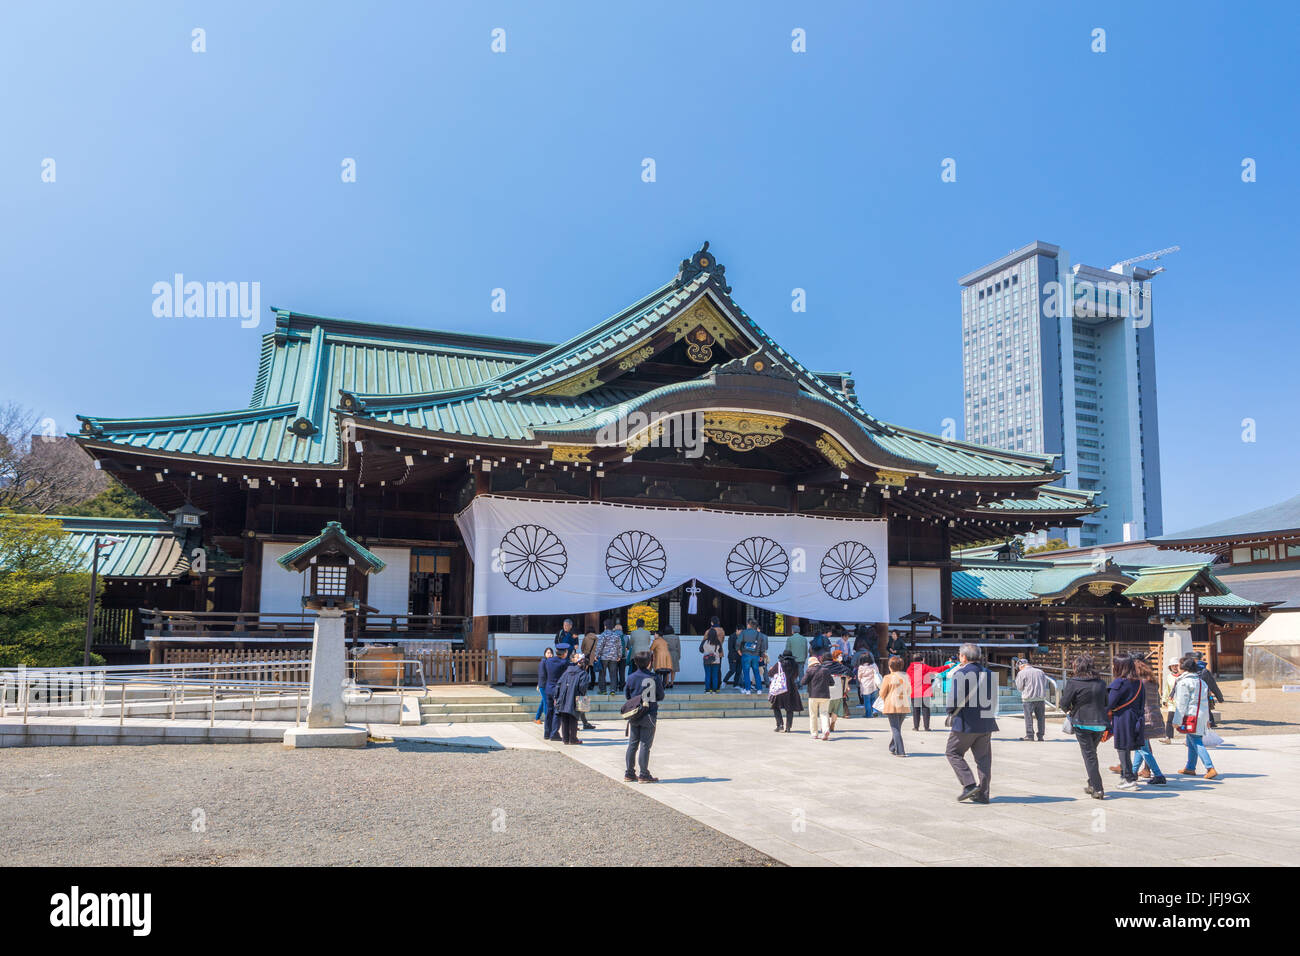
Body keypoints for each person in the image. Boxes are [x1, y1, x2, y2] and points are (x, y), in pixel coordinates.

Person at [945, 643, 997, 804]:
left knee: (952, 752)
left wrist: (950, 711)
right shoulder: (988, 673)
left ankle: (969, 784)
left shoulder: (961, 673)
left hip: (966, 721)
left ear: (964, 657)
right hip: (986, 720)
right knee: (983, 759)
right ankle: (983, 794)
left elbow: (954, 699)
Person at [1059, 654, 1110, 799]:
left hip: (1082, 722)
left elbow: (1063, 703)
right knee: (1092, 754)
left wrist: (1070, 711)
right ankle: (1092, 783)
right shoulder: (1100, 683)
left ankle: (1098, 788)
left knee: (1089, 756)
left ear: (1077, 667)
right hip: (1100, 723)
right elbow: (1106, 702)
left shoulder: (1074, 682)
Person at [1117, 653, 1167, 785]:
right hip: (1154, 715)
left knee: (1143, 748)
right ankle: (1133, 772)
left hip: (1143, 717)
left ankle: (1158, 774)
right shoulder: (1151, 680)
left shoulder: (1138, 683)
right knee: (1141, 746)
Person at [1173, 653, 1219, 779]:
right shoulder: (1201, 682)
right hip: (1201, 714)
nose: (1177, 667)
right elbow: (1206, 702)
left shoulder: (1184, 682)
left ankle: (1210, 767)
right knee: (1191, 740)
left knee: (1196, 741)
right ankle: (1190, 767)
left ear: (1184, 668)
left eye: (1179, 665)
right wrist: (1208, 719)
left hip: (1190, 715)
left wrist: (1176, 720)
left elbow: (1182, 703)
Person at [1106, 655, 1145, 792]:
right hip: (1137, 717)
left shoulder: (1119, 683)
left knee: (1122, 748)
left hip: (1123, 718)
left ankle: (1129, 778)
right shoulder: (1139, 682)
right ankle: (1126, 776)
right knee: (1127, 748)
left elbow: (1109, 703)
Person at [624, 651, 664, 783]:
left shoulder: (631, 677)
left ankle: (629, 773)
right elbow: (661, 696)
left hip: (635, 714)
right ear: (649, 663)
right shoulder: (654, 677)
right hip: (649, 714)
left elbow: (628, 696)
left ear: (635, 662)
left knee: (632, 744)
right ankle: (643, 774)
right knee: (645, 745)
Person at [553, 652, 591, 745]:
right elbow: (582, 688)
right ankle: (573, 739)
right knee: (573, 719)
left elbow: (558, 684)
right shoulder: (584, 674)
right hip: (575, 699)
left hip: (563, 698)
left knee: (564, 719)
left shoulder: (567, 671)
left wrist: (556, 697)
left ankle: (565, 739)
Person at [539, 645, 573, 741]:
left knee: (549, 711)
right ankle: (554, 733)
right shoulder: (564, 662)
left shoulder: (548, 660)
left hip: (548, 688)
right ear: (564, 653)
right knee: (557, 712)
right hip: (557, 690)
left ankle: (547, 732)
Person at [877, 655, 911, 755]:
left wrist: (885, 698)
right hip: (904, 704)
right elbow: (909, 691)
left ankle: (901, 751)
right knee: (897, 728)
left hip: (891, 704)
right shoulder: (906, 676)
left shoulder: (888, 677)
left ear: (890, 666)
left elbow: (882, 692)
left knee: (895, 729)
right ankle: (892, 747)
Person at [906, 653, 948, 732]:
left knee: (915, 710)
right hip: (924, 692)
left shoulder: (909, 668)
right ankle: (926, 727)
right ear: (922, 660)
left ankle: (916, 727)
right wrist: (948, 666)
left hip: (915, 692)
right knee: (926, 710)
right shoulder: (924, 667)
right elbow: (937, 670)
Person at [1014, 658, 1052, 741]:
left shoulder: (1021, 673)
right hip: (1040, 698)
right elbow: (1044, 683)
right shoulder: (1040, 672)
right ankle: (1041, 736)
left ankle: (1030, 735)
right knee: (1041, 718)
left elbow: (1020, 687)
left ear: (1021, 666)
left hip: (1028, 698)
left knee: (1028, 717)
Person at [767, 649, 803, 732]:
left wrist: (771, 669)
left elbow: (770, 674)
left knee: (776, 707)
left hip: (780, 688)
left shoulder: (779, 664)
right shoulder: (795, 665)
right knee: (789, 708)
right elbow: (796, 675)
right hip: (791, 688)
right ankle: (788, 727)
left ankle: (780, 725)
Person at [800, 656, 833, 740]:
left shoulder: (810, 670)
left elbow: (803, 682)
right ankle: (825, 730)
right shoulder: (826, 670)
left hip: (813, 695)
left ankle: (814, 733)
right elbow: (832, 683)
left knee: (813, 715)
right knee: (824, 713)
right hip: (825, 695)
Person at [824, 649, 854, 732]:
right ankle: (832, 723)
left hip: (826, 690)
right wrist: (845, 680)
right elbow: (851, 673)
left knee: (825, 709)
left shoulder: (822, 666)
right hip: (838, 690)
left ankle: (826, 725)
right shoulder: (839, 666)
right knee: (835, 709)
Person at [738, 619, 767, 695]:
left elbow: (738, 642)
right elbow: (763, 647)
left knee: (746, 672)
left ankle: (748, 690)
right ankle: (759, 689)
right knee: (756, 672)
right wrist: (761, 656)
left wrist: (739, 651)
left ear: (749, 624)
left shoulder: (744, 632)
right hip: (756, 655)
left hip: (746, 655)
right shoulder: (759, 634)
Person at [1195, 653, 1225, 729]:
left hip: (1194, 695)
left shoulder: (1189, 670)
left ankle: (1208, 723)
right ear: (1201, 658)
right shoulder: (1205, 671)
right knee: (1206, 709)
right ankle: (1210, 723)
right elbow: (1213, 685)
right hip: (1204, 695)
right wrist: (1220, 698)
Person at [593, 620, 622, 695]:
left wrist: (596, 655)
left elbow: (599, 646)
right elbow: (619, 646)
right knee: (613, 674)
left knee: (602, 674)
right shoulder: (616, 635)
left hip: (604, 657)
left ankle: (603, 690)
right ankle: (613, 690)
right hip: (613, 657)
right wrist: (619, 655)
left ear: (605, 626)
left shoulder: (603, 635)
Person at [698, 617, 725, 693]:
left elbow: (703, 642)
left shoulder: (708, 631)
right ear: (718, 622)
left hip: (708, 655)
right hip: (718, 653)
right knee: (717, 671)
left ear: (712, 623)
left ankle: (708, 688)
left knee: (708, 673)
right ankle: (717, 688)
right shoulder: (722, 630)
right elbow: (722, 640)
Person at [856, 652, 881, 717]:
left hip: (865, 686)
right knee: (874, 700)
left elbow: (859, 677)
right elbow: (877, 673)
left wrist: (861, 681)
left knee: (867, 701)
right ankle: (875, 711)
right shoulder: (874, 665)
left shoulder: (861, 667)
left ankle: (868, 714)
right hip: (874, 685)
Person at [534, 647, 554, 723]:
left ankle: (537, 718)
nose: (549, 654)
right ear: (545, 654)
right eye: (548, 653)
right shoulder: (543, 662)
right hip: (544, 685)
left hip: (546, 685)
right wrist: (539, 684)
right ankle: (548, 719)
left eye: (551, 653)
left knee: (543, 702)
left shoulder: (549, 662)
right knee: (547, 702)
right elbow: (542, 675)